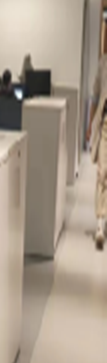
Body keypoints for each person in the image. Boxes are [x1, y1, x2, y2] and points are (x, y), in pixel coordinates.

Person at [87, 56, 107, 249]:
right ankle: (100, 225)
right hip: (105, 126)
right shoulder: (103, 64)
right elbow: (95, 96)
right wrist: (90, 125)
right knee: (102, 173)